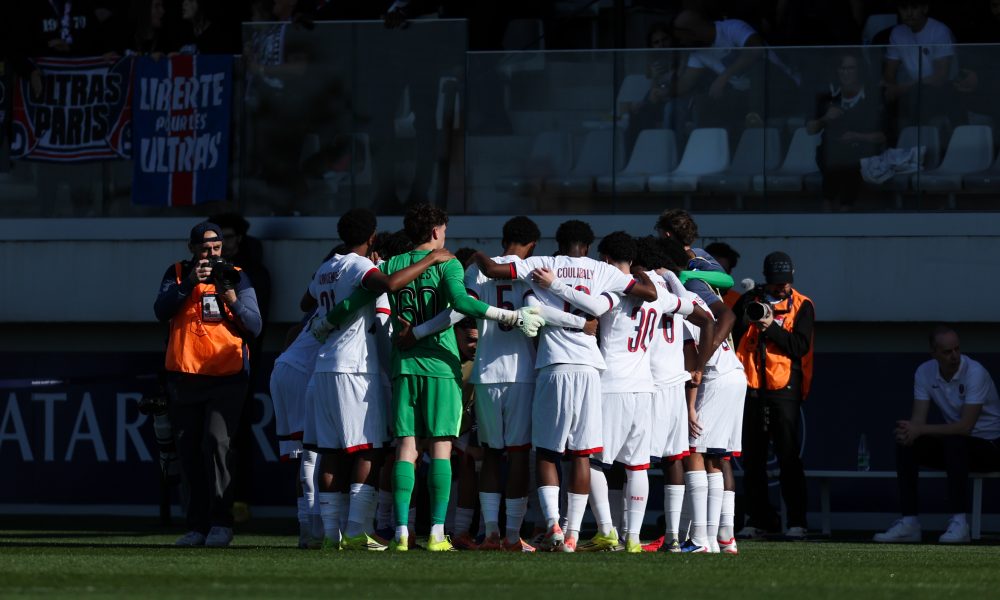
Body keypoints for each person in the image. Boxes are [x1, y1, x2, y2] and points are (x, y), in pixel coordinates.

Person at [312, 204, 545, 552]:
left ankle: (403, 531)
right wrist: (509, 317)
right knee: (440, 448)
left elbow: (357, 298)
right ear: (436, 230)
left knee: (405, 448)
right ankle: (437, 532)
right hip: (440, 364)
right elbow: (462, 304)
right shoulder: (446, 261)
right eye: (444, 230)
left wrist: (324, 324)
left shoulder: (391, 265)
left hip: (403, 364)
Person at [472, 220, 659, 552]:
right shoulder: (604, 272)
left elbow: (493, 269)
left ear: (557, 244)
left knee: (546, 452)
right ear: (587, 247)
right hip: (590, 368)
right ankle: (572, 535)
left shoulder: (543, 266)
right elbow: (648, 294)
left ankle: (553, 525)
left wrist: (475, 253)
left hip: (553, 365)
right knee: (582, 455)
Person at [153, 221, 262, 547]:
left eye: (216, 248)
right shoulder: (176, 273)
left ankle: (220, 522)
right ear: (192, 249)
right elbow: (161, 311)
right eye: (205, 249)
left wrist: (232, 299)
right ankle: (196, 525)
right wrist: (188, 283)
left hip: (226, 376)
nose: (212, 255)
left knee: (217, 444)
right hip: (186, 376)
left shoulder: (237, 275)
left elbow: (254, 325)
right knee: (187, 451)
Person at [874, 325, 1000, 545]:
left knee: (955, 442)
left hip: (991, 446)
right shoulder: (924, 372)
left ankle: (960, 524)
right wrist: (910, 432)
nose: (954, 356)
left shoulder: (975, 372)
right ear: (934, 353)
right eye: (947, 352)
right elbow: (918, 422)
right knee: (907, 443)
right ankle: (910, 522)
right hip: (958, 447)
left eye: (957, 349)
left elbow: (965, 427)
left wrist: (919, 429)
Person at [732, 251, 815, 540]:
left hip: (785, 388)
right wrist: (749, 314)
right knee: (753, 458)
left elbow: (799, 345)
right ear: (766, 280)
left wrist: (771, 326)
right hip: (752, 385)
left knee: (788, 456)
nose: (782, 288)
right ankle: (758, 518)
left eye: (786, 283)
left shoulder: (803, 306)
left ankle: (797, 521)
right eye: (776, 284)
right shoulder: (751, 300)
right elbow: (733, 334)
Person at [208, 212, 271, 524]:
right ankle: (209, 504)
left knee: (238, 438)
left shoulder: (250, 274)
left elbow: (256, 323)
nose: (225, 245)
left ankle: (240, 500)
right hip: (204, 366)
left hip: (240, 366)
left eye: (229, 238)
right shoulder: (198, 274)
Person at [807, 51, 886, 210]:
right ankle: (844, 205)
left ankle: (829, 202)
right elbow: (810, 129)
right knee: (833, 151)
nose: (845, 73)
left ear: (859, 70)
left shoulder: (872, 96)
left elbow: (883, 136)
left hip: (863, 151)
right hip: (832, 154)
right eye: (842, 69)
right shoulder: (829, 97)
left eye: (850, 68)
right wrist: (826, 118)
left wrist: (856, 136)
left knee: (846, 157)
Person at [882, 1, 961, 130]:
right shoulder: (897, 33)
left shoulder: (940, 31)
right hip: (912, 89)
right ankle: (892, 146)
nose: (909, 13)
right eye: (904, 7)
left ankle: (917, 144)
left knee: (917, 96)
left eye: (914, 7)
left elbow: (940, 77)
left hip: (944, 89)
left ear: (925, 8)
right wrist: (891, 86)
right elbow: (889, 72)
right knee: (884, 96)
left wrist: (904, 88)